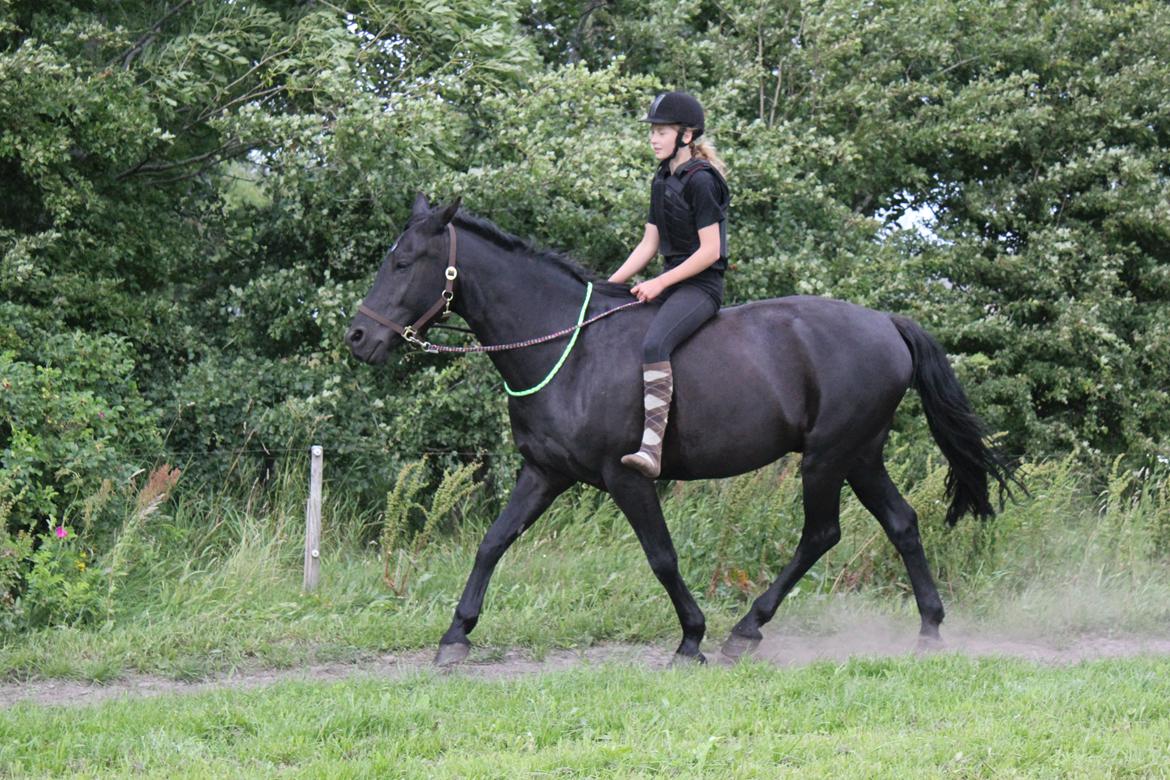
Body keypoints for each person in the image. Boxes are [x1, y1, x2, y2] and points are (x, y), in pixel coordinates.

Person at [609, 91, 730, 478]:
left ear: (686, 136)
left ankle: (651, 448)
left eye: (661, 131)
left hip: (700, 288)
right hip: (673, 284)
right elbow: (649, 243)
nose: (653, 138)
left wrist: (660, 282)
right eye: (653, 132)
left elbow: (710, 251)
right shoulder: (661, 179)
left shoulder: (702, 181)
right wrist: (605, 286)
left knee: (655, 343)